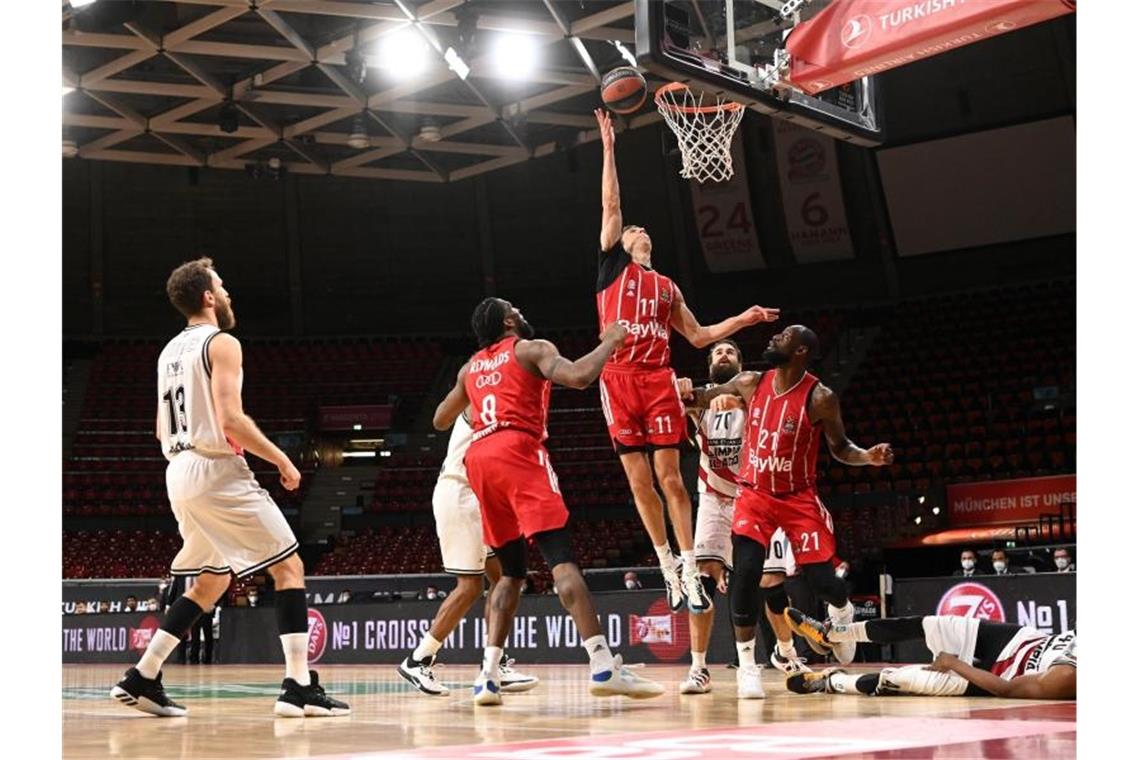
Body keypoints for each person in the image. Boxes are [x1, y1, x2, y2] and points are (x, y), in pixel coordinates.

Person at [110, 258, 348, 719]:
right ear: (207, 297)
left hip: (177, 471)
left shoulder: (167, 353)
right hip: (216, 470)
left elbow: (161, 431)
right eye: (222, 286)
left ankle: (143, 674)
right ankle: (298, 686)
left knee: (212, 580)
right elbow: (231, 420)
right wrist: (280, 459)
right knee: (289, 567)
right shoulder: (222, 343)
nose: (228, 293)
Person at [593, 108, 780, 615]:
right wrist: (610, 150)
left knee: (672, 479)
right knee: (639, 483)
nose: (643, 234)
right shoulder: (612, 267)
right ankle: (665, 565)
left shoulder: (667, 287)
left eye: (646, 232)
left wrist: (743, 318)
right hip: (617, 380)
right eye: (636, 232)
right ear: (623, 241)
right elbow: (612, 203)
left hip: (656, 380)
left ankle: (692, 567)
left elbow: (698, 337)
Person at [433, 297, 664, 705]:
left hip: (479, 460)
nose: (521, 311)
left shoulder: (470, 367)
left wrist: (479, 391)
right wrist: (610, 340)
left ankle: (487, 677)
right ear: (507, 321)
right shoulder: (532, 348)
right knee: (561, 560)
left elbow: (439, 419)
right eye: (513, 308)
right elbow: (578, 377)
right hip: (517, 450)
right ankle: (603, 665)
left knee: (510, 574)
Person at [681, 325, 893, 699]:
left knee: (819, 581)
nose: (771, 341)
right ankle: (747, 666)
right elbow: (700, 396)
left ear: (800, 352)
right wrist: (683, 391)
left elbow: (841, 447)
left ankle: (840, 616)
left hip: (796, 498)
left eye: (780, 339)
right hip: (752, 495)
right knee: (745, 575)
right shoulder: (748, 382)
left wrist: (867, 457)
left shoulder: (821, 397)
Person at [679, 340, 810, 697]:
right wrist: (678, 386)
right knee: (702, 580)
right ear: (709, 365)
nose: (724, 356)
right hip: (714, 497)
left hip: (757, 495)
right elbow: (673, 397)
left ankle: (786, 653)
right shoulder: (701, 399)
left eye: (731, 353)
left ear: (741, 363)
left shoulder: (757, 394)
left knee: (770, 581)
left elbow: (767, 404)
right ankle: (698, 668)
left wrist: (735, 399)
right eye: (718, 353)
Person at [399, 410, 538, 697]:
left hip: (480, 498)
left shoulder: (499, 400)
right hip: (460, 495)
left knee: (503, 579)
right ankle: (418, 659)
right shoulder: (481, 402)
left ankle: (494, 662)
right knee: (470, 587)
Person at [785, 609, 1076, 700]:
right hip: (1020, 641)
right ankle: (832, 633)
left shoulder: (1066, 678)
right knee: (928, 623)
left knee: (907, 680)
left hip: (1000, 676)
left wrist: (953, 663)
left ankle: (830, 681)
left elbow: (1007, 689)